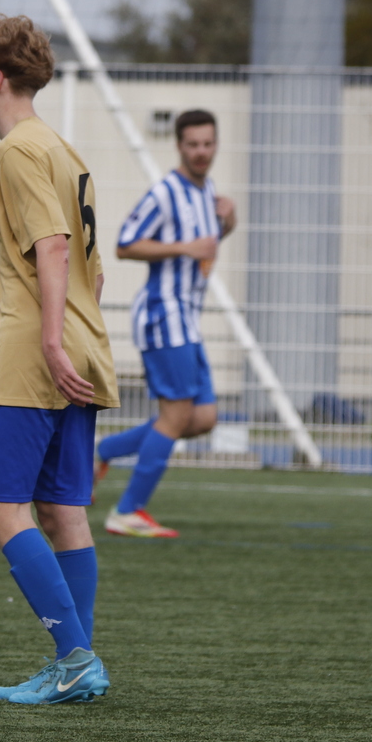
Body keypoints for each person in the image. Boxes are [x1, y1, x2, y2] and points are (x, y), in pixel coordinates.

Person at [0, 13, 116, 706]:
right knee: (62, 508)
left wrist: (47, 340)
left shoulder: (17, 150)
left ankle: (73, 657)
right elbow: (93, 272)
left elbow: (52, 247)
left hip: (36, 347)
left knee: (0, 511)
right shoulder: (64, 150)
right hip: (85, 340)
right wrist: (72, 333)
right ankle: (77, 663)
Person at [94, 109, 237, 536]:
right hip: (163, 315)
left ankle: (104, 450)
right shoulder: (165, 193)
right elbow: (125, 244)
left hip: (187, 319)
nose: (201, 152)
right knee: (174, 416)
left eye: (208, 144)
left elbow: (205, 246)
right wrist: (183, 247)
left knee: (203, 417)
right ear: (179, 146)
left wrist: (229, 222)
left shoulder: (207, 191)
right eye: (193, 144)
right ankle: (127, 511)